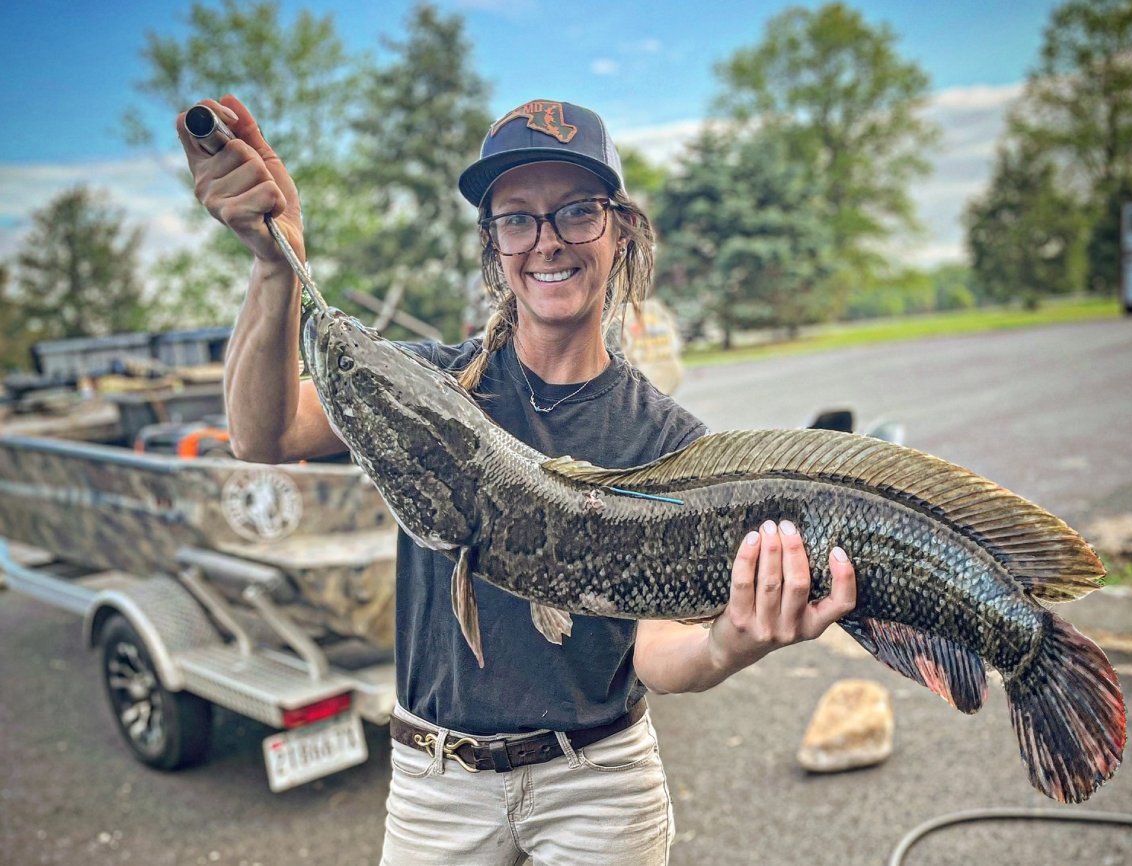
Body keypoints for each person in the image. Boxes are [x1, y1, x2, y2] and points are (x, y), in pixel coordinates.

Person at [178, 95, 858, 866]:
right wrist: (275, 266)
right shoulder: (428, 387)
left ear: (620, 230)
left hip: (597, 784)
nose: (546, 242)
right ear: (492, 244)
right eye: (517, 219)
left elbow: (658, 649)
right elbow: (262, 434)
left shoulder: (668, 444)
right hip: (436, 783)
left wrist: (728, 645)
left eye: (576, 212)